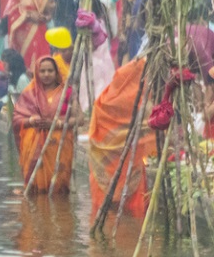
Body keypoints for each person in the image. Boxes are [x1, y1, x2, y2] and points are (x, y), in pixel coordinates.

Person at [88, 57, 156, 219]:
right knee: (133, 216)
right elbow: (151, 126)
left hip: (115, 164)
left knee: (106, 216)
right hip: (122, 164)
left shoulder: (104, 100)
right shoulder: (138, 102)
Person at [14, 56, 77, 195]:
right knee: (36, 190)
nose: (46, 74)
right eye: (42, 71)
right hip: (35, 145)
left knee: (59, 190)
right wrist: (31, 121)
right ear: (37, 72)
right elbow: (17, 119)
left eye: (50, 71)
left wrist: (57, 124)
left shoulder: (67, 92)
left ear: (56, 72)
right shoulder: (30, 93)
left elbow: (79, 119)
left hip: (60, 145)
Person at [5, 0, 53, 69]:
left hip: (40, 32)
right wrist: (29, 15)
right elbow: (12, 14)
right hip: (24, 35)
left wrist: (46, 18)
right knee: (27, 62)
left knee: (42, 60)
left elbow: (48, 14)